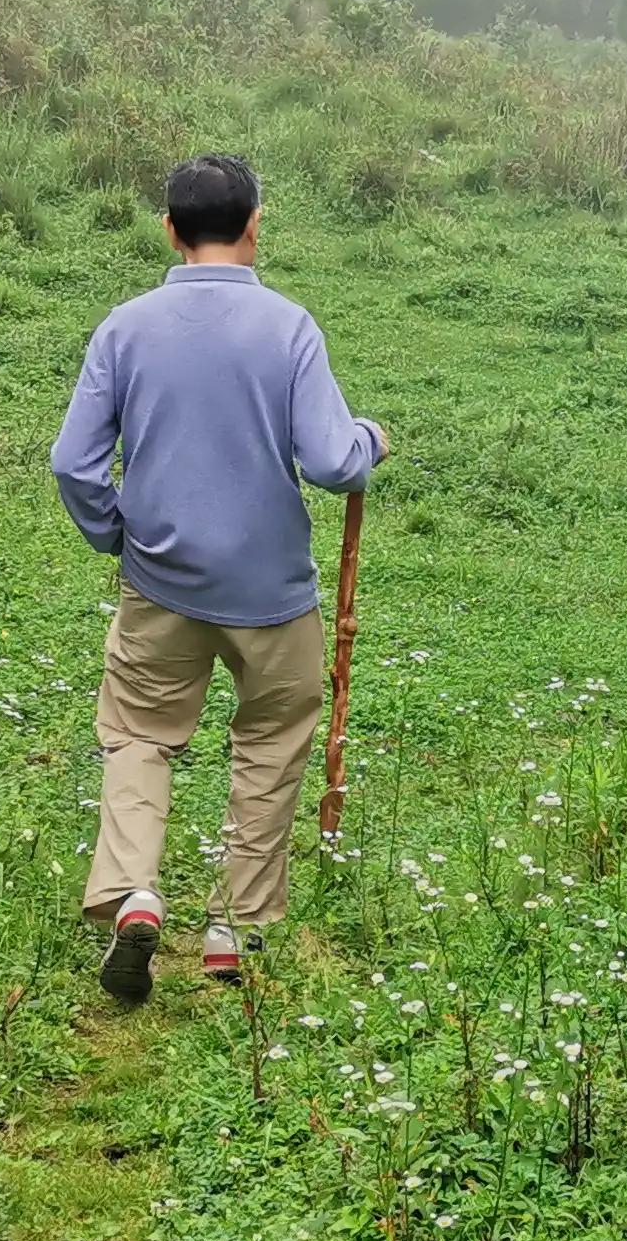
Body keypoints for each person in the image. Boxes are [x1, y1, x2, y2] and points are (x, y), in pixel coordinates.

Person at [50, 153, 388, 1004]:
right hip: (272, 592)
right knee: (271, 741)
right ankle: (232, 926)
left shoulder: (125, 327)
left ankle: (133, 890)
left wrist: (116, 536)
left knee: (138, 735)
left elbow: (74, 464)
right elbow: (332, 461)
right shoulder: (288, 327)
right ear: (255, 225)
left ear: (168, 228)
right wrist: (371, 440)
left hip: (160, 581)